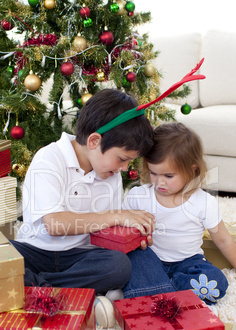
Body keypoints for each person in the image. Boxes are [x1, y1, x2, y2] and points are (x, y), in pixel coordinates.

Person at [11, 89, 155, 314]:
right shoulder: (49, 159)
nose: (125, 168)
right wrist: (116, 216)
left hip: (79, 256)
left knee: (118, 266)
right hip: (35, 251)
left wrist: (130, 237)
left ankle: (37, 288)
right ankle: (65, 292)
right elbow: (55, 224)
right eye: (123, 159)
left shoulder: (111, 174)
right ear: (95, 141)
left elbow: (105, 229)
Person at [122, 122, 236, 304]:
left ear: (192, 170)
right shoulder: (138, 196)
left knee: (216, 282)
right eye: (153, 173)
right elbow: (120, 230)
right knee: (133, 261)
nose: (160, 182)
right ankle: (169, 292)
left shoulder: (203, 202)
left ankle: (163, 288)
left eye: (168, 176)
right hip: (150, 260)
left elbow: (223, 239)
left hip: (188, 263)